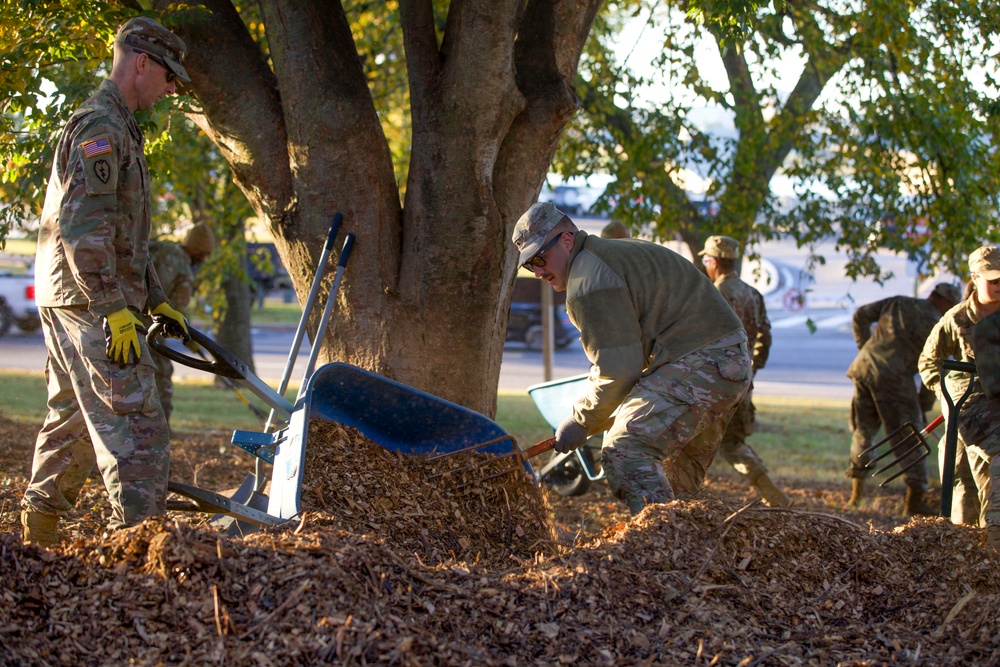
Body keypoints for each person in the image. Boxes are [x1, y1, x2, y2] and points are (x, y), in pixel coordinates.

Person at [21, 17, 192, 547]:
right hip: (90, 300)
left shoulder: (119, 127)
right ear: (141, 62)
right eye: (167, 77)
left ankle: (37, 539)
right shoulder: (101, 127)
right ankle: (145, 551)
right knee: (139, 428)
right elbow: (82, 229)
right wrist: (114, 307)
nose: (169, 90)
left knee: (71, 419)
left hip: (77, 295)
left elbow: (123, 236)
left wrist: (158, 300)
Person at [512, 202, 752, 514]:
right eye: (531, 265)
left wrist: (580, 420)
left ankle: (661, 546)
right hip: (726, 366)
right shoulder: (610, 255)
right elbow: (631, 357)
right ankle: (689, 551)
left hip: (700, 362)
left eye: (541, 258)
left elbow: (618, 370)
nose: (540, 271)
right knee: (675, 475)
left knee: (625, 450)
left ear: (567, 241)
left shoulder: (588, 279)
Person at [844, 282, 961, 516]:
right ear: (946, 302)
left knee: (863, 430)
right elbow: (936, 367)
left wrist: (865, 347)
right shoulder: (937, 324)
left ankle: (856, 494)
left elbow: (859, 316)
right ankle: (914, 501)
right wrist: (923, 404)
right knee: (910, 436)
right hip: (894, 378)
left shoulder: (898, 301)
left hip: (864, 367)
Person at [698, 236, 791, 507]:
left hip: (711, 385)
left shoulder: (712, 295)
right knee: (733, 444)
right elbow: (766, 335)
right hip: (741, 382)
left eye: (705, 260)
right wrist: (751, 368)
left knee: (689, 446)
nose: (705, 265)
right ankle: (774, 494)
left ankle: (680, 503)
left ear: (714, 262)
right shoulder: (753, 294)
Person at [919, 246, 1000, 548]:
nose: (999, 287)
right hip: (968, 405)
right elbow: (929, 362)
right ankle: (966, 549)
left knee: (988, 471)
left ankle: (991, 544)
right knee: (960, 480)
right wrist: (945, 394)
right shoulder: (957, 319)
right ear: (975, 278)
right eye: (993, 280)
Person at [146, 223, 216, 424]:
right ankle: (161, 427)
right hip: (150, 326)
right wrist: (190, 338)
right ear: (195, 249)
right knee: (161, 375)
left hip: (124, 316)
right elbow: (177, 312)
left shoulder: (158, 248)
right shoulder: (184, 269)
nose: (203, 259)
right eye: (203, 254)